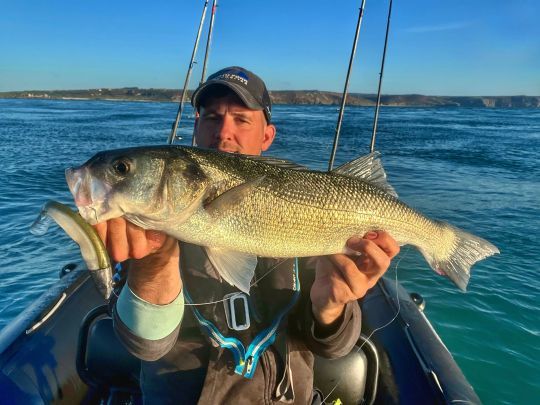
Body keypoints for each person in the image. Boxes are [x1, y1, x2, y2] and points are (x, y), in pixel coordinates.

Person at [96, 66, 400, 404]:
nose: (223, 132)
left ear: (267, 136)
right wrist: (154, 266)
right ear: (196, 127)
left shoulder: (315, 216)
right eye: (211, 117)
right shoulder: (145, 224)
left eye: (242, 120)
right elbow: (145, 345)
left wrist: (331, 308)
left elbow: (335, 346)